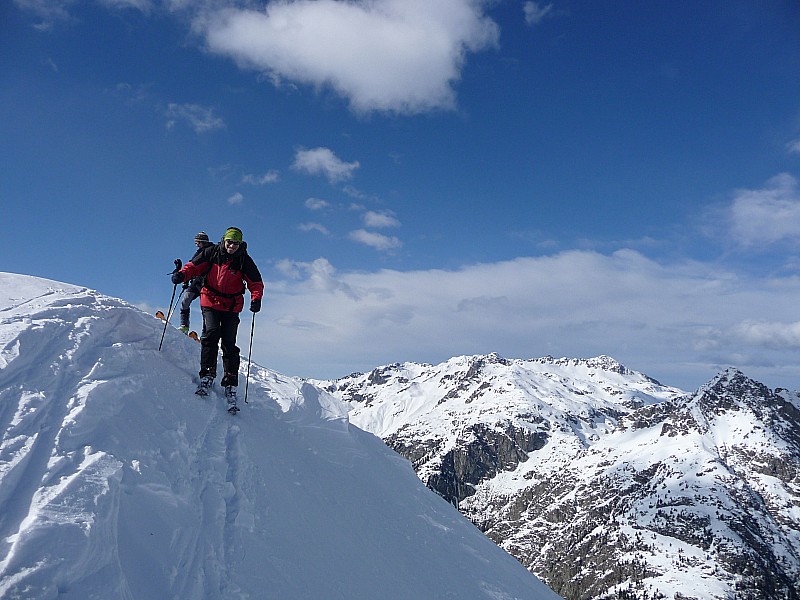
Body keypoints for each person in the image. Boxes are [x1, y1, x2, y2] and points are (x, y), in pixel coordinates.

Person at [171, 227, 263, 402]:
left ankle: (231, 381)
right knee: (211, 335)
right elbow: (194, 266)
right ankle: (207, 373)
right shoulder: (212, 252)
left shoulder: (244, 259)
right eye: (229, 241)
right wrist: (182, 275)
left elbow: (256, 282)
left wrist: (256, 298)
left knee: (229, 343)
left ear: (240, 243)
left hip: (232, 306)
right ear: (224, 240)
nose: (232, 245)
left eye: (236, 243)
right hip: (210, 301)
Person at [179, 232, 214, 334]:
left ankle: (205, 331)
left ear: (202, 242)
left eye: (197, 242)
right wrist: (185, 279)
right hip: (197, 281)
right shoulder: (199, 253)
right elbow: (192, 267)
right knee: (186, 301)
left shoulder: (211, 252)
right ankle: (184, 325)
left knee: (206, 308)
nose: (196, 245)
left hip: (207, 283)